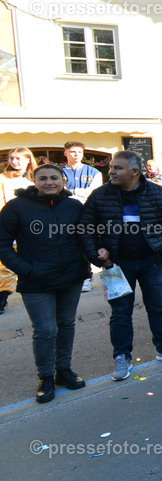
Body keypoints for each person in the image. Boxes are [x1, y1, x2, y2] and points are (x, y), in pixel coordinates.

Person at [80, 150, 162, 380]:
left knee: (158, 307)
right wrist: (99, 256)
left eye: (117, 168)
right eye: (111, 167)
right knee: (120, 312)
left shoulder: (157, 193)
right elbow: (85, 229)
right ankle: (122, 356)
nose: (111, 171)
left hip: (151, 262)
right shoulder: (100, 196)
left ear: (135, 171)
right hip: (115, 266)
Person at [0, 163, 90, 403]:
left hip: (71, 277)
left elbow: (85, 236)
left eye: (54, 178)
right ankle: (45, 377)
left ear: (63, 181)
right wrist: (26, 269)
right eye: (43, 178)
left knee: (66, 324)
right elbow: (3, 244)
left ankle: (64, 370)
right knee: (45, 330)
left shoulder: (74, 206)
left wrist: (93, 260)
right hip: (36, 280)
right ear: (34, 181)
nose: (49, 182)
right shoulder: (16, 207)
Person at [0, 147, 35, 314]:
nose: (14, 162)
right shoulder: (2, 179)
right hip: (6, 226)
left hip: (27, 228)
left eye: (18, 158)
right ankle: (2, 297)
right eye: (11, 158)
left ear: (28, 160)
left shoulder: (32, 181)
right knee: (3, 265)